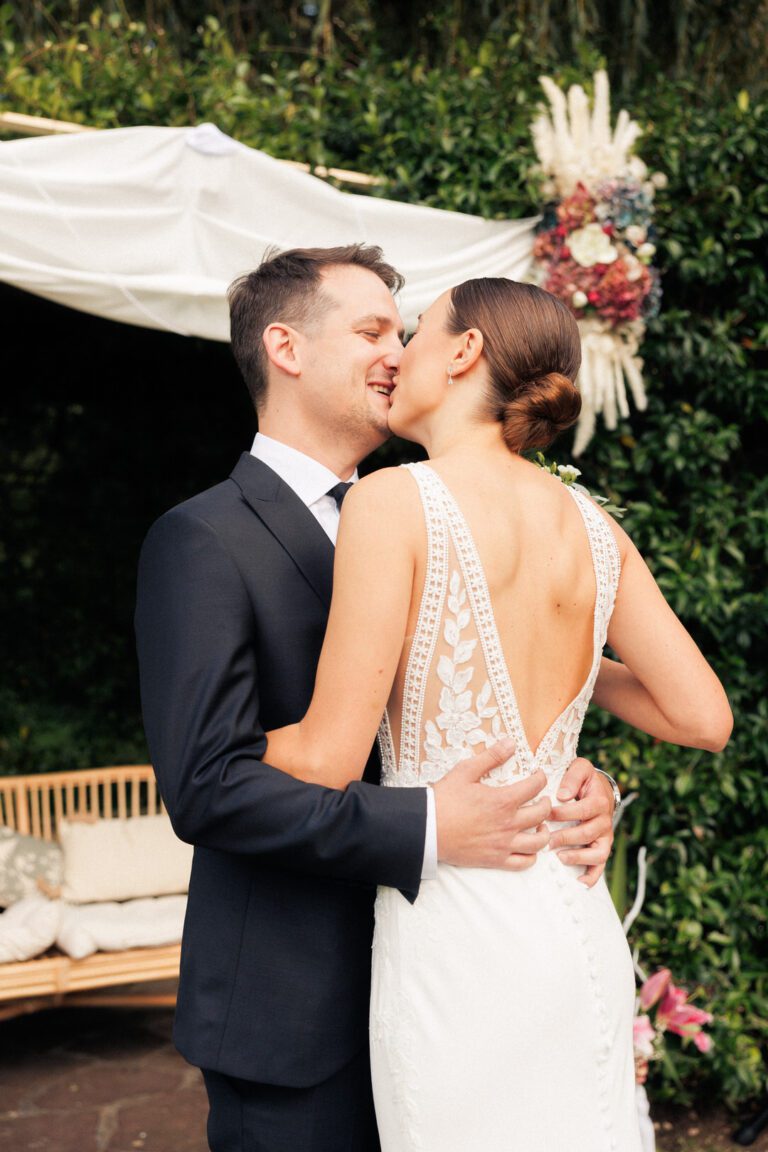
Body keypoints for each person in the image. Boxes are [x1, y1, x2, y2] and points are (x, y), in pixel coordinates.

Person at [134, 246, 620, 1152]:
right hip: (296, 1017)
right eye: (370, 332)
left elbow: (488, 697)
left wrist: (569, 786)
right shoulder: (200, 540)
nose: (398, 353)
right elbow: (207, 787)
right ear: (284, 346)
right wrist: (430, 827)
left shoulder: (426, 517)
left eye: (403, 333)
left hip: (457, 993)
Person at [264, 276, 733, 1151]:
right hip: (570, 913)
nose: (397, 355)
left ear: (465, 352)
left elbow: (326, 758)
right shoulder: (592, 525)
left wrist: (208, 751)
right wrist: (569, 663)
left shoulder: (393, 501)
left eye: (416, 331)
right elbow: (704, 716)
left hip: (457, 933)